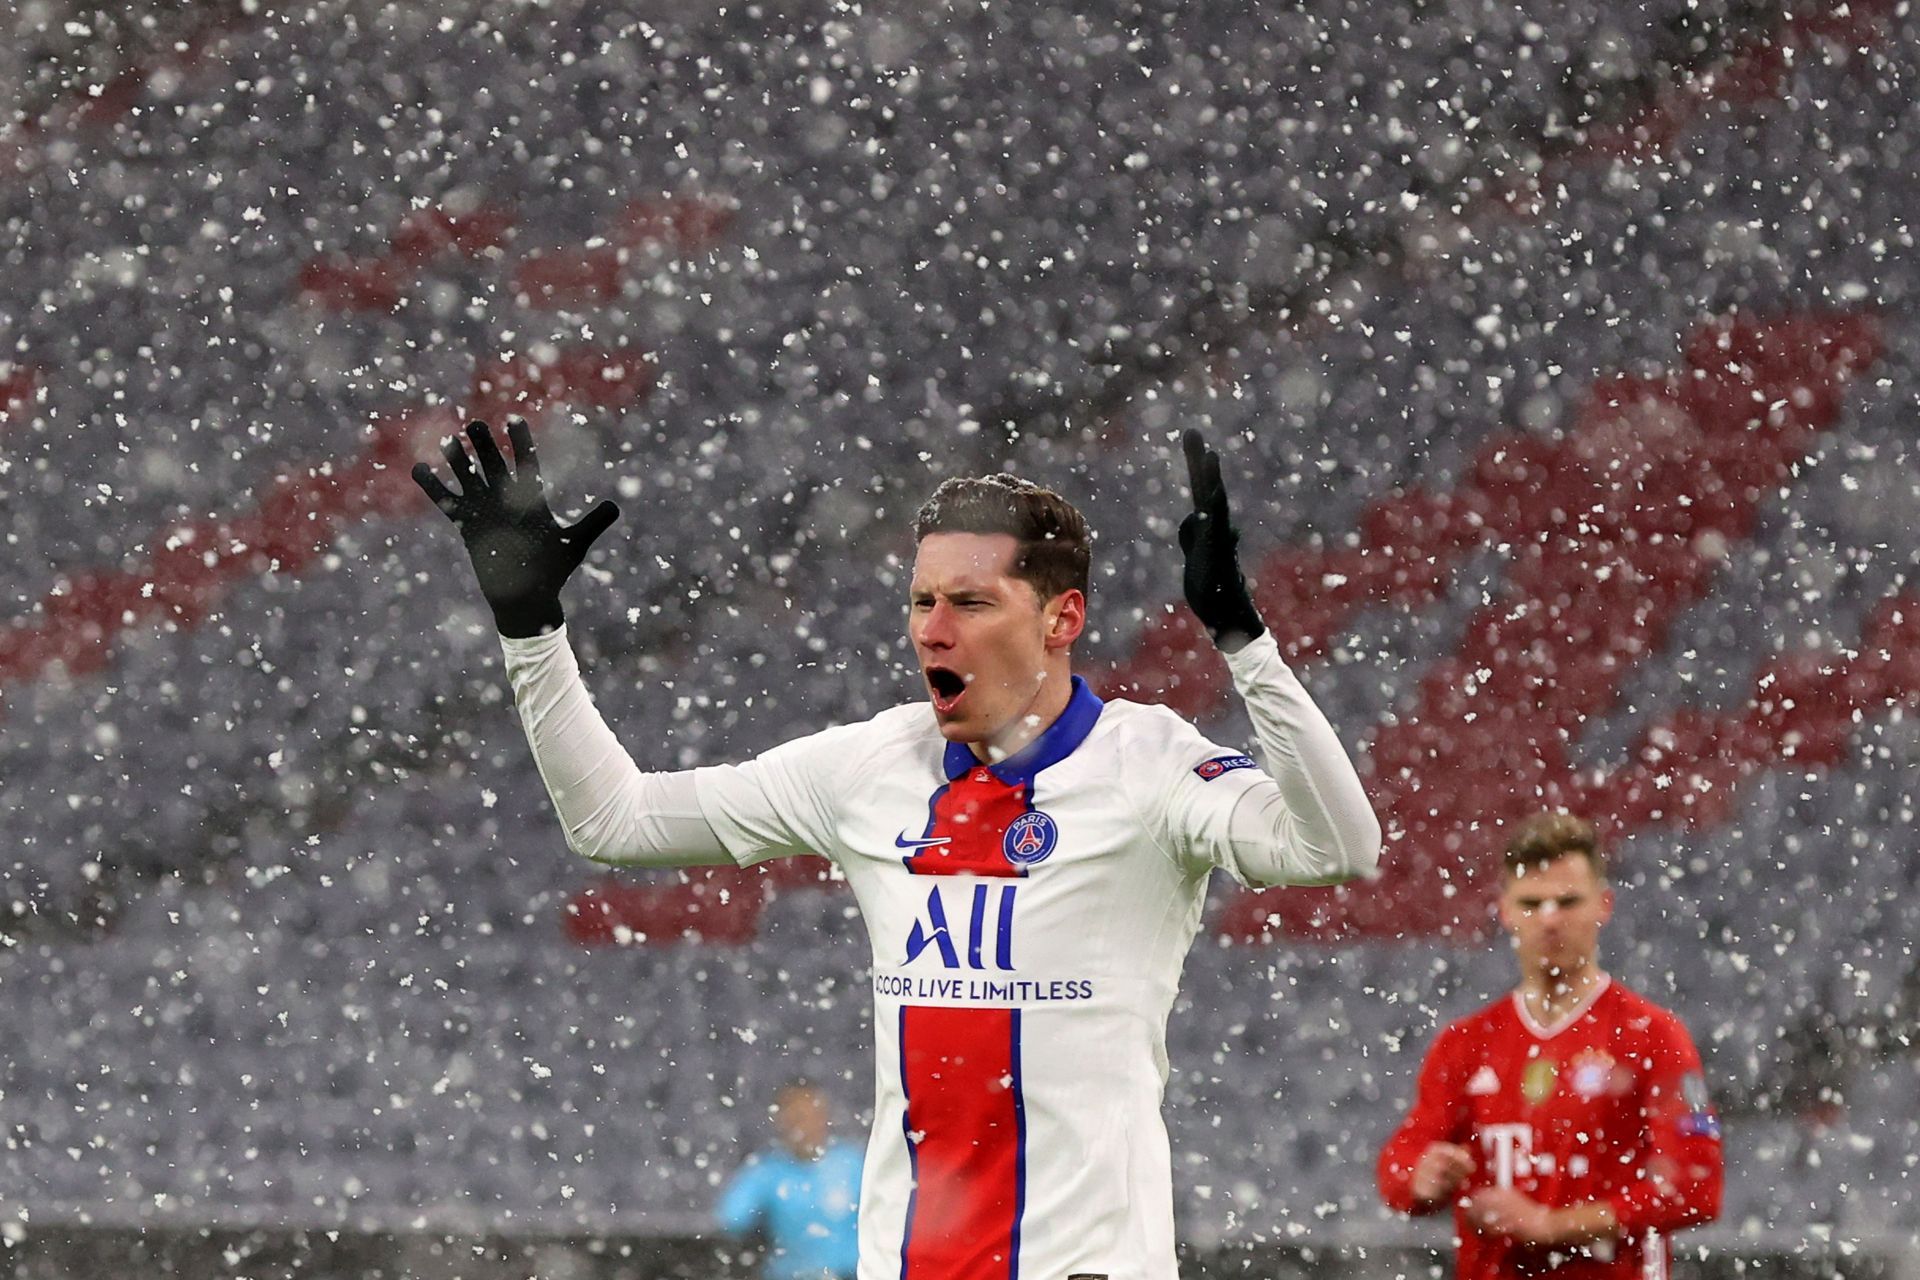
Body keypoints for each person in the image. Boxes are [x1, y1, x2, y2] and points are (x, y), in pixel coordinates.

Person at [413, 419, 1382, 1280]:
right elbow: (615, 820)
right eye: (920, 601)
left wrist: (1243, 640)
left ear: (1062, 618)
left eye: (969, 600)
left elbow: (1337, 844)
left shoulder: (1151, 762)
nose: (932, 629)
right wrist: (531, 629)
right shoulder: (871, 764)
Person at [1377, 813, 1724, 1280]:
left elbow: (1695, 1189)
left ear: (1604, 905)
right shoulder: (1465, 1044)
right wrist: (1421, 1177)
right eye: (1532, 902)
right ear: (1505, 910)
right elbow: (1401, 1161)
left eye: (1567, 901)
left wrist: (1553, 1226)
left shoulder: (1653, 1035)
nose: (1549, 919)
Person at [716, 1080, 863, 1280]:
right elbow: (732, 1219)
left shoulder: (852, 1163)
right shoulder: (768, 1169)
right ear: (780, 1121)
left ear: (824, 1117)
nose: (804, 1125)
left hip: (849, 1275)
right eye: (795, 1117)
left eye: (810, 1115)